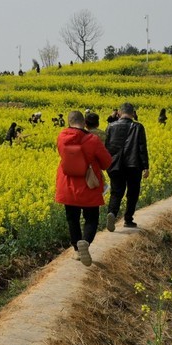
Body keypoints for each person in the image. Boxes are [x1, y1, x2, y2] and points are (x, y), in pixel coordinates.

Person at [55, 111, 113, 267]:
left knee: (72, 218)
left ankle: (76, 250)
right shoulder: (92, 140)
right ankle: (85, 243)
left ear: (69, 122)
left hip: (67, 184)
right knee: (91, 218)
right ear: (84, 122)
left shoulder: (61, 137)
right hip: (89, 185)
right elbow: (107, 162)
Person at [104, 103, 150, 230]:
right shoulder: (138, 127)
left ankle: (112, 213)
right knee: (133, 192)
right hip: (133, 164)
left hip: (115, 165)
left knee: (116, 192)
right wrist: (146, 166)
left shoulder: (110, 126)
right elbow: (142, 147)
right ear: (133, 113)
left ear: (119, 112)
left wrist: (106, 164)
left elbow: (106, 146)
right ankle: (128, 219)